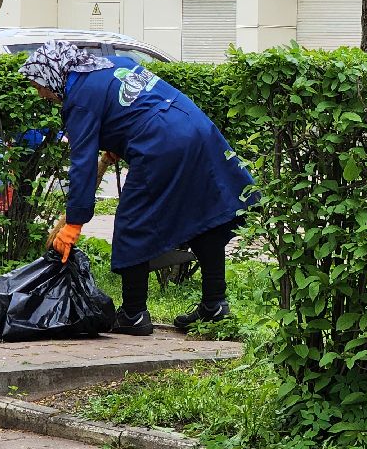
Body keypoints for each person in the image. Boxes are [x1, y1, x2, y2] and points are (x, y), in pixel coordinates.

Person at [19, 41, 256, 336]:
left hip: (162, 145)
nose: (41, 94)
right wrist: (119, 138)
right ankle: (214, 305)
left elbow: (82, 163)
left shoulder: (79, 97)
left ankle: (133, 313)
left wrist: (75, 222)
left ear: (54, 73)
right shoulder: (114, 64)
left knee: (133, 223)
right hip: (196, 128)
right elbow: (136, 104)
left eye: (40, 85)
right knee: (202, 216)